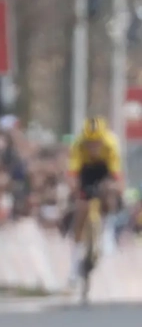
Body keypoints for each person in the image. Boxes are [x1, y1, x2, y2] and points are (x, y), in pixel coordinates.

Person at [67, 116, 123, 284]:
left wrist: (117, 188)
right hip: (86, 171)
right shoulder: (78, 144)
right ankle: (75, 262)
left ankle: (108, 231)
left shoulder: (111, 143)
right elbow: (73, 174)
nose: (93, 147)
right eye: (89, 143)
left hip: (104, 169)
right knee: (81, 209)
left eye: (96, 143)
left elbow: (116, 175)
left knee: (109, 190)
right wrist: (74, 190)